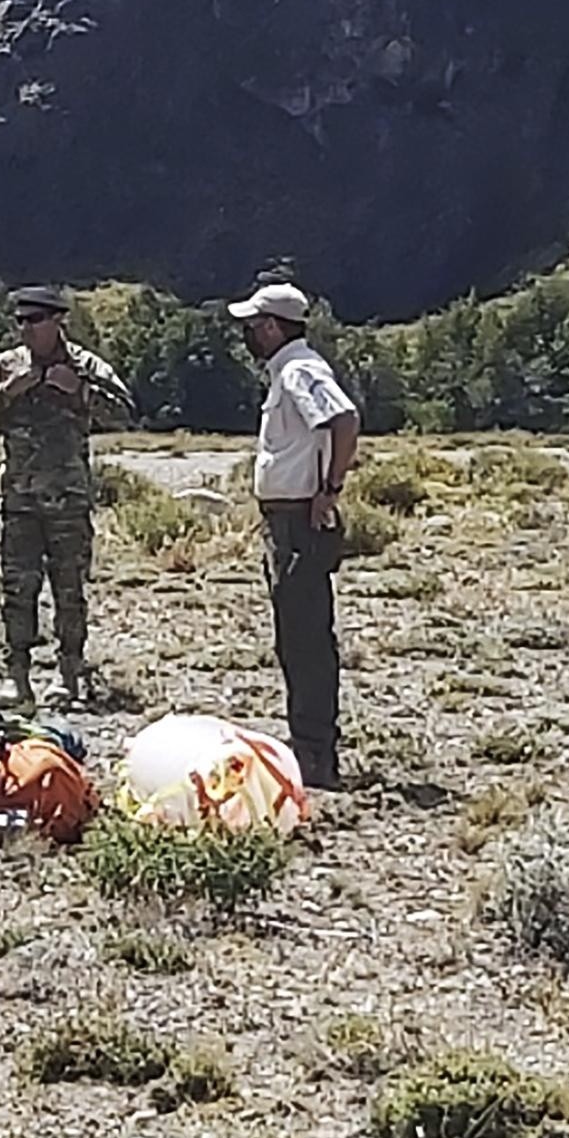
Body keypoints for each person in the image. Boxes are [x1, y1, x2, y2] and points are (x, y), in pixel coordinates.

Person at [231, 280, 359, 791]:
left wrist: (330, 489)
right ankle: (308, 746)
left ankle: (314, 754)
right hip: (288, 519)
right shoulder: (288, 369)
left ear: (272, 326)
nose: (248, 335)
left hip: (299, 521)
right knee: (297, 634)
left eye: (253, 325)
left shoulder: (299, 369)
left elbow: (344, 418)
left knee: (304, 637)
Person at [0, 286, 135, 708]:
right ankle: (18, 677)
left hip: (68, 499)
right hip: (20, 500)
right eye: (21, 322)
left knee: (69, 590)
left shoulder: (84, 365)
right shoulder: (7, 366)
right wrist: (8, 391)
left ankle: (68, 674)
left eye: (34, 321)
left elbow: (123, 411)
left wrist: (79, 392)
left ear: (56, 322)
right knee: (17, 589)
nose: (26, 330)